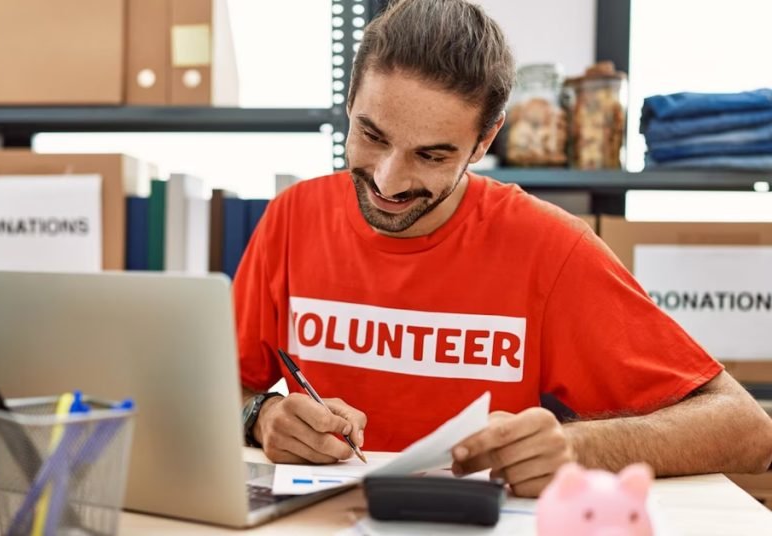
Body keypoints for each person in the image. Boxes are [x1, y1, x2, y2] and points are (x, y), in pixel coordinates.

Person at [235, 0, 772, 497]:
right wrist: (260, 414)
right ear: (350, 103)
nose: (388, 181)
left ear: (485, 141)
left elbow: (747, 429)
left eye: (432, 155)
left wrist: (578, 447)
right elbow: (209, 392)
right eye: (371, 135)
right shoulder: (293, 217)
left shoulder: (549, 248)